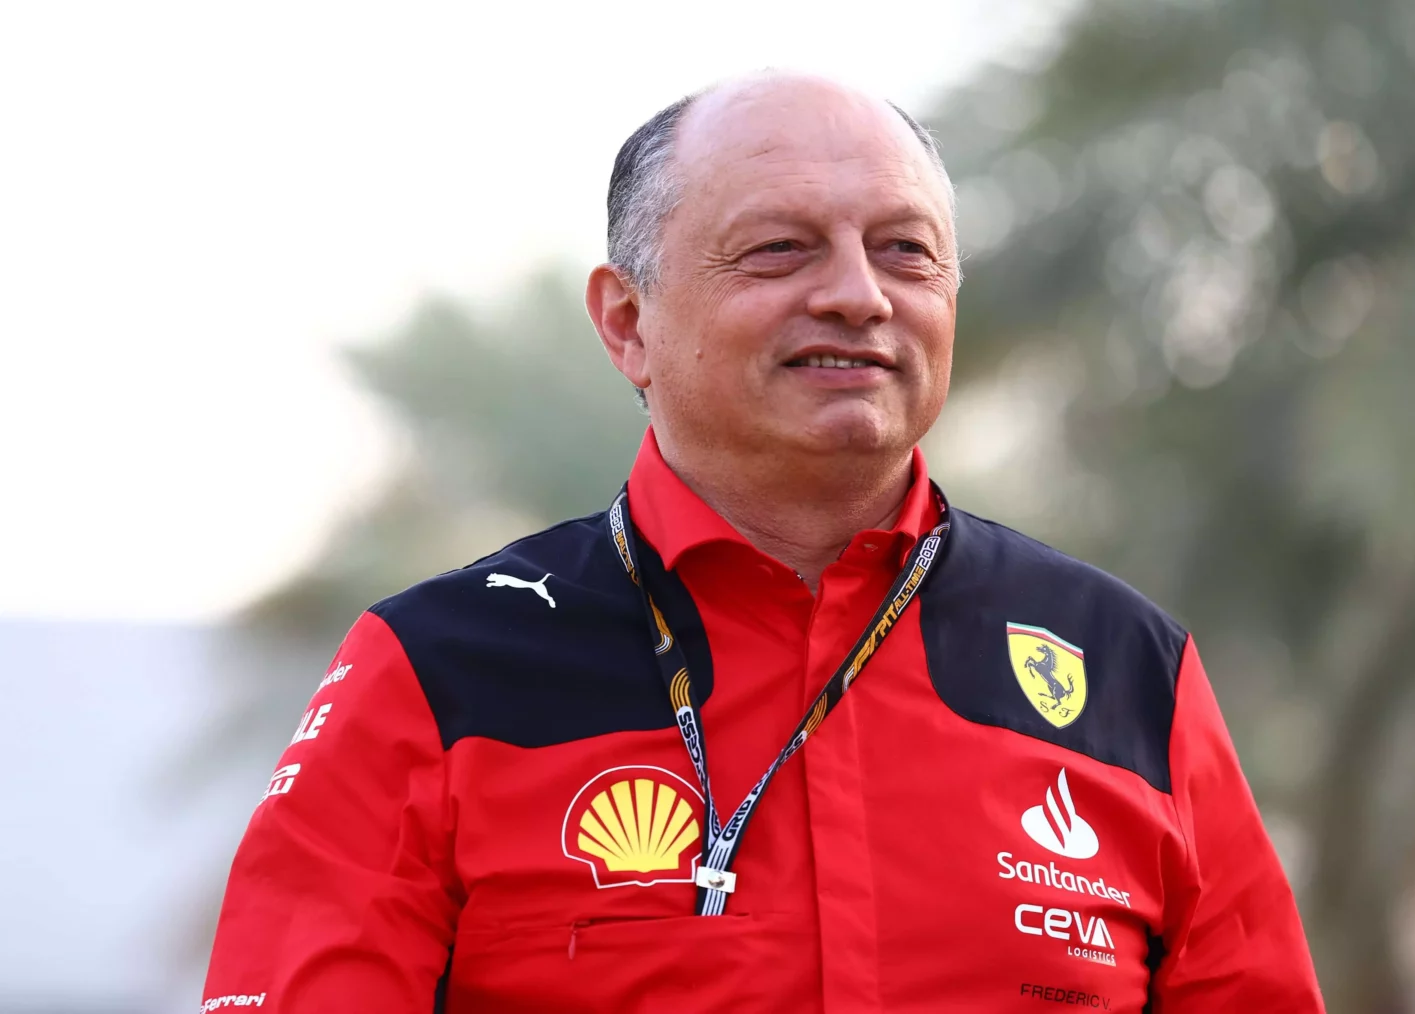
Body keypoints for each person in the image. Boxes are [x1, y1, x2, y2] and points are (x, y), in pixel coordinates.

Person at [202, 73, 1325, 1013]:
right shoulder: (438, 675)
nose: (858, 296)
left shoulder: (1128, 667)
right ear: (627, 322)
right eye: (781, 250)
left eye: (906, 253)